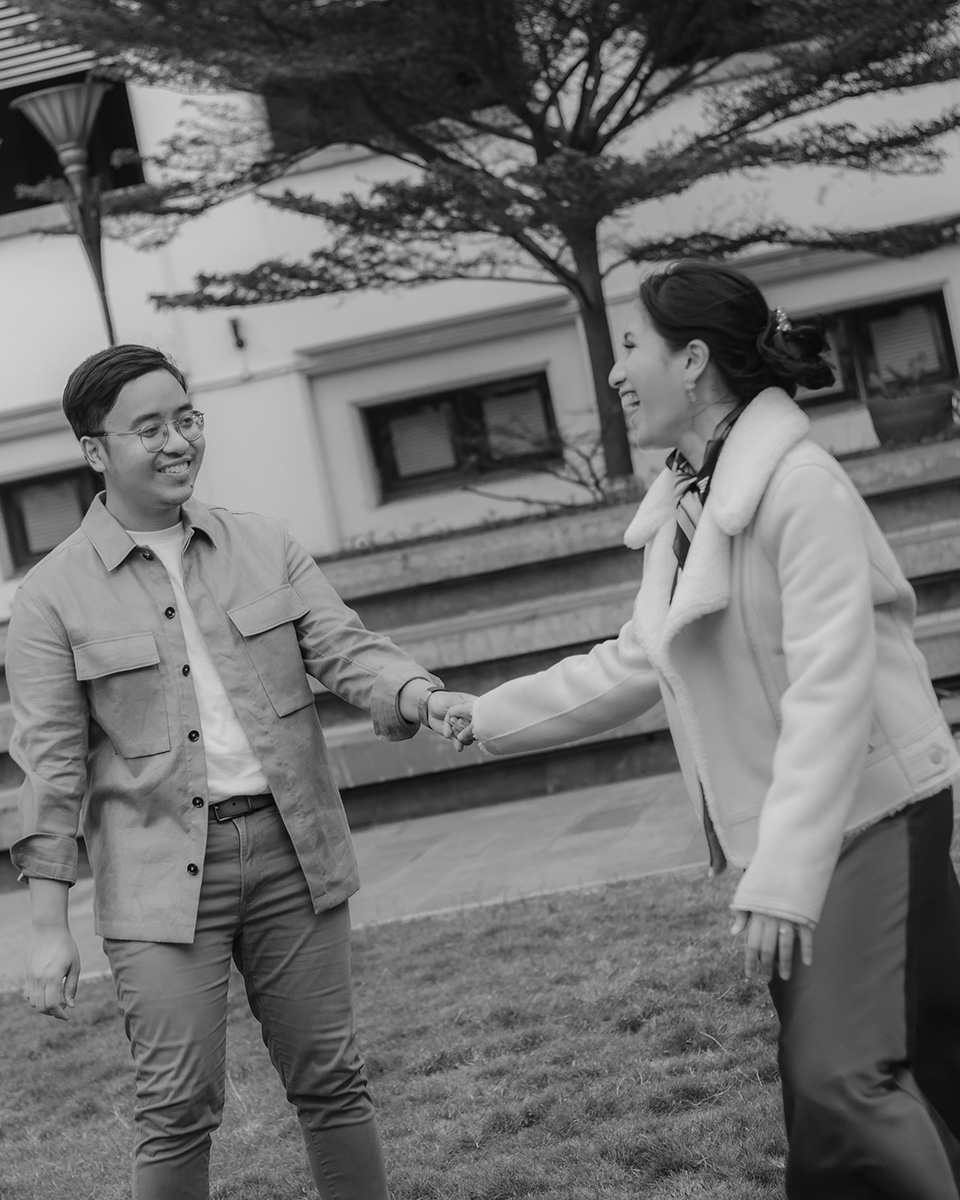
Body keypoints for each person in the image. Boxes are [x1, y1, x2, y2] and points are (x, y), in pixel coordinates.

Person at [444, 260, 960, 1198]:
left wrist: (785, 878)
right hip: (810, 831)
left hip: (876, 811)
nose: (613, 372)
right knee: (866, 1086)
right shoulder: (693, 496)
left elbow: (832, 691)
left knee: (841, 1080)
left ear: (691, 361)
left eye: (628, 346)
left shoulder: (798, 487)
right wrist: (479, 718)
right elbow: (637, 660)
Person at [7, 343, 470, 1200]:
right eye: (150, 429)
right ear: (95, 450)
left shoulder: (263, 543)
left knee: (332, 1081)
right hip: (155, 875)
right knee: (176, 1105)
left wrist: (419, 694)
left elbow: (345, 648)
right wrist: (47, 926)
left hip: (294, 850)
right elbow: (51, 766)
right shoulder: (49, 596)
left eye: (187, 419)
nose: (179, 442)